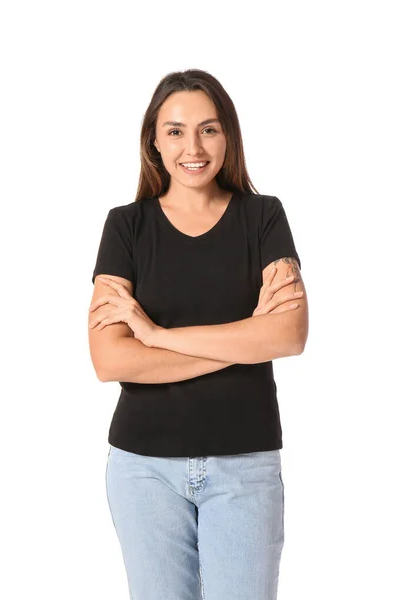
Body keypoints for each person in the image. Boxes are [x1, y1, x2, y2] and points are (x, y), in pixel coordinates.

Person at [88, 69, 308, 600]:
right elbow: (109, 360)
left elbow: (288, 335)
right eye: (176, 131)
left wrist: (155, 334)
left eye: (208, 129)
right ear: (155, 142)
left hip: (245, 467)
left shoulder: (262, 217)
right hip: (143, 472)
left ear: (227, 136)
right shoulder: (126, 226)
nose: (193, 146)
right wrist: (243, 340)